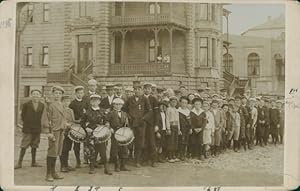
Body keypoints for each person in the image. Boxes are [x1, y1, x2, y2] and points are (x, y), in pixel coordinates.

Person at [81, 94, 112, 175]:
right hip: (91, 134)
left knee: (103, 151)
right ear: (91, 102)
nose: (95, 102)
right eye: (93, 100)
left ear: (99, 101)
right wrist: (86, 128)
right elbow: (82, 123)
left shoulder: (103, 111)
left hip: (101, 134)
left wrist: (107, 125)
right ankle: (92, 167)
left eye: (97, 100)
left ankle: (106, 168)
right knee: (92, 151)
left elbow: (106, 121)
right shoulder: (87, 112)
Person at [122, 81, 151, 168]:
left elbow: (149, 111)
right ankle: (129, 158)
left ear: (141, 90)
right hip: (131, 124)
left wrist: (143, 118)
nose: (137, 91)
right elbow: (124, 109)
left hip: (141, 124)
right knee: (130, 141)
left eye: (139, 89)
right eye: (135, 89)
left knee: (140, 143)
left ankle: (137, 160)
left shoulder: (145, 99)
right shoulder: (129, 99)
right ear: (133, 91)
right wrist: (128, 117)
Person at [15, 89, 45, 169]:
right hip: (28, 128)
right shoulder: (26, 104)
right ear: (31, 95)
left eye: (37, 94)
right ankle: (19, 163)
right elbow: (23, 116)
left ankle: (33, 162)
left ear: (40, 96)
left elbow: (43, 116)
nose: (36, 95)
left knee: (35, 145)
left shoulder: (42, 105)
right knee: (24, 145)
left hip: (37, 128)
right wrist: (27, 123)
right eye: (34, 94)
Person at [43, 86, 66, 182]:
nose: (57, 95)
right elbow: (46, 119)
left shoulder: (62, 104)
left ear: (61, 95)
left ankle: (54, 172)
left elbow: (63, 118)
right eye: (56, 93)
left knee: (57, 152)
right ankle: (48, 174)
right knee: (52, 151)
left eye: (59, 93)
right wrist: (48, 132)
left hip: (61, 130)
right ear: (53, 94)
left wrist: (65, 125)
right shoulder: (50, 105)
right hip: (54, 131)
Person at [106, 98, 130, 172]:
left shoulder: (124, 113)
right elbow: (106, 122)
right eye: (116, 104)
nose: (118, 106)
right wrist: (110, 128)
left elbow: (127, 124)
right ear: (113, 105)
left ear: (122, 105)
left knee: (124, 148)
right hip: (114, 132)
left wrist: (126, 127)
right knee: (115, 149)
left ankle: (123, 165)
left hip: (122, 133)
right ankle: (117, 166)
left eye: (120, 104)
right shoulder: (110, 113)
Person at [142, 82, 159, 167]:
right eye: (145, 88)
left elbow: (156, 113)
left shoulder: (154, 99)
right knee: (144, 141)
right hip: (143, 123)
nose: (147, 90)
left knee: (152, 142)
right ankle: (145, 159)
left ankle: (153, 160)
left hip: (151, 124)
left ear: (150, 90)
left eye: (148, 89)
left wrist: (156, 125)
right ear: (143, 89)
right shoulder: (141, 98)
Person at [60, 95, 76, 173]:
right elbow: (59, 120)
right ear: (62, 102)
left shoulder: (71, 110)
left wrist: (73, 125)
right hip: (62, 132)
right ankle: (62, 166)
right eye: (65, 101)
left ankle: (66, 164)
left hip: (69, 132)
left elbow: (72, 120)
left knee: (68, 149)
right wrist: (66, 124)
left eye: (68, 101)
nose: (66, 103)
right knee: (63, 149)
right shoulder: (60, 110)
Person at [166, 96, 181, 163]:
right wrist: (168, 128)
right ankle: (169, 156)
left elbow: (178, 120)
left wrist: (179, 129)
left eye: (175, 102)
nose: (174, 103)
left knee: (175, 141)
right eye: (173, 102)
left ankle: (174, 155)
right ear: (170, 102)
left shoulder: (176, 109)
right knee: (171, 142)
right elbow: (167, 119)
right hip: (171, 126)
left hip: (176, 126)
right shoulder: (168, 109)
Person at [177, 96, 191, 161]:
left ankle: (183, 154)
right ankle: (180, 154)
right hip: (181, 128)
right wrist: (179, 129)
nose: (184, 104)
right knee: (180, 141)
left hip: (187, 128)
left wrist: (190, 128)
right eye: (182, 102)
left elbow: (190, 121)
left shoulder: (188, 111)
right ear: (180, 103)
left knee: (186, 141)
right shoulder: (178, 111)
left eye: (185, 103)